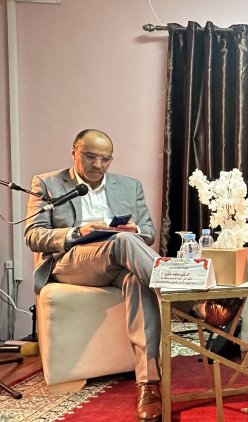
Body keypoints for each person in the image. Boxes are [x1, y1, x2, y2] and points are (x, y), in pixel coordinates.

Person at [24, 129, 163, 421]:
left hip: (117, 260)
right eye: (90, 156)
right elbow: (33, 236)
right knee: (123, 242)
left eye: (105, 159)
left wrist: (136, 230)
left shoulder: (129, 186)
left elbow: (149, 233)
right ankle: (190, 298)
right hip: (71, 263)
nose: (98, 165)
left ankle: (148, 383)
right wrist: (80, 232)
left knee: (136, 277)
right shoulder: (47, 183)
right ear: (74, 152)